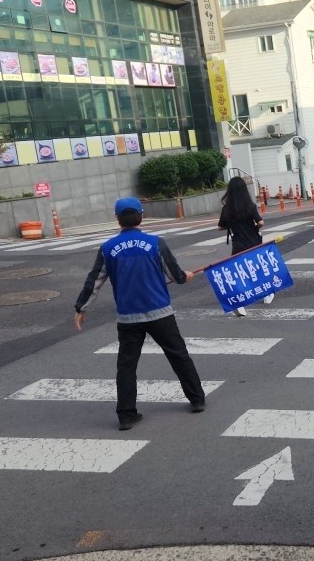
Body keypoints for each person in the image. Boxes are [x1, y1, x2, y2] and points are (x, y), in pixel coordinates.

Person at [73, 196, 206, 429]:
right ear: (141, 216)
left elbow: (94, 281)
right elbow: (176, 276)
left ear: (117, 220)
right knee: (178, 355)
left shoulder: (108, 248)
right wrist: (186, 276)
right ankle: (196, 399)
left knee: (126, 366)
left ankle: (126, 414)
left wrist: (80, 308)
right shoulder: (156, 243)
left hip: (128, 317)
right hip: (160, 313)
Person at [217, 176, 273, 317]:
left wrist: (232, 224)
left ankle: (240, 305)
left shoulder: (226, 209)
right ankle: (266, 294)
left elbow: (220, 227)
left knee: (239, 274)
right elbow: (260, 222)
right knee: (258, 270)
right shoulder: (250, 205)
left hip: (238, 244)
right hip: (253, 243)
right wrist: (253, 225)